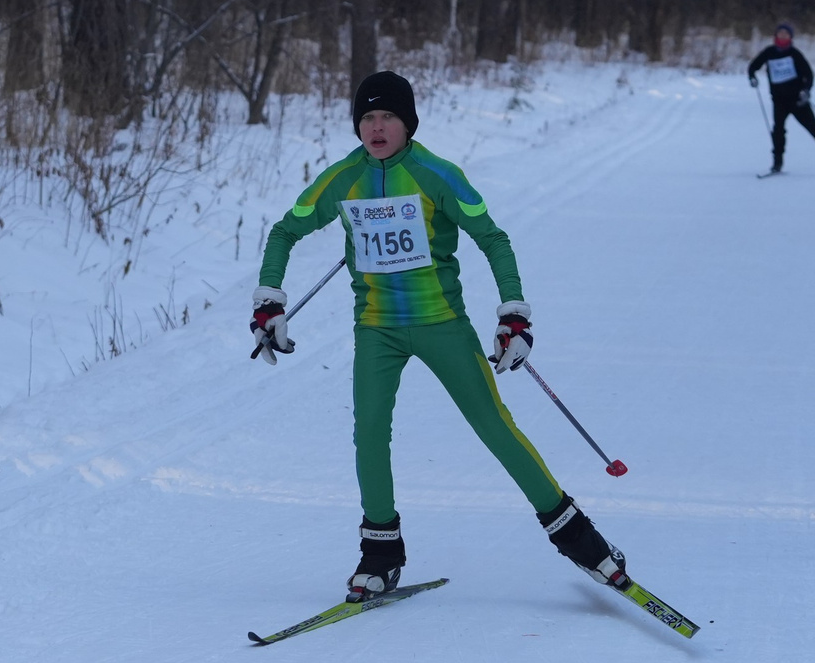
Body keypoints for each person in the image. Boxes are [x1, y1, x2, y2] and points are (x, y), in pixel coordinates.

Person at [250, 70, 631, 603]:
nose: (377, 128)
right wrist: (269, 301)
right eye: (367, 118)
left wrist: (513, 316)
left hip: (442, 326)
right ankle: (381, 553)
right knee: (369, 435)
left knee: (496, 428)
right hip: (376, 330)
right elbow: (285, 230)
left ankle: (582, 542)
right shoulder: (342, 180)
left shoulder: (437, 175)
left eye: (388, 117)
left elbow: (492, 239)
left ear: (407, 123)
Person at [747, 23, 815, 173]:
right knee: (778, 131)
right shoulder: (769, 52)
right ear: (776, 36)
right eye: (780, 33)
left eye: (786, 34)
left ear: (790, 37)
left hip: (797, 100)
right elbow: (753, 66)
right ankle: (777, 163)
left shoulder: (794, 54)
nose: (783, 36)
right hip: (779, 100)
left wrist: (806, 91)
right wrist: (752, 77)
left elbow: (808, 74)